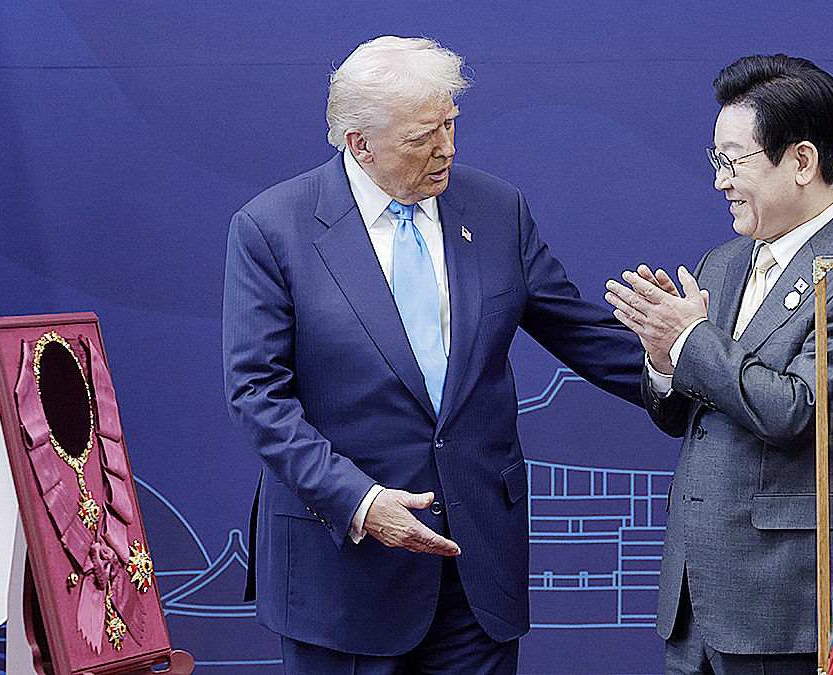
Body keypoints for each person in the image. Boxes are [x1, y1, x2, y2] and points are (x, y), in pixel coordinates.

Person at [222, 36, 644, 674]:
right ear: (358, 143)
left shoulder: (496, 208)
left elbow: (583, 334)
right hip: (344, 575)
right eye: (423, 136)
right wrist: (360, 502)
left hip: (477, 574)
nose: (446, 148)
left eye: (451, 124)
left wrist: (694, 370)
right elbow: (258, 395)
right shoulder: (273, 228)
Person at [605, 54, 833, 674]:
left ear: (801, 161)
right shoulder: (724, 262)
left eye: (734, 162)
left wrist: (691, 343)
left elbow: (799, 412)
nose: (720, 182)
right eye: (717, 162)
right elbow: (683, 413)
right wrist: (664, 362)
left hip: (784, 607)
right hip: (695, 601)